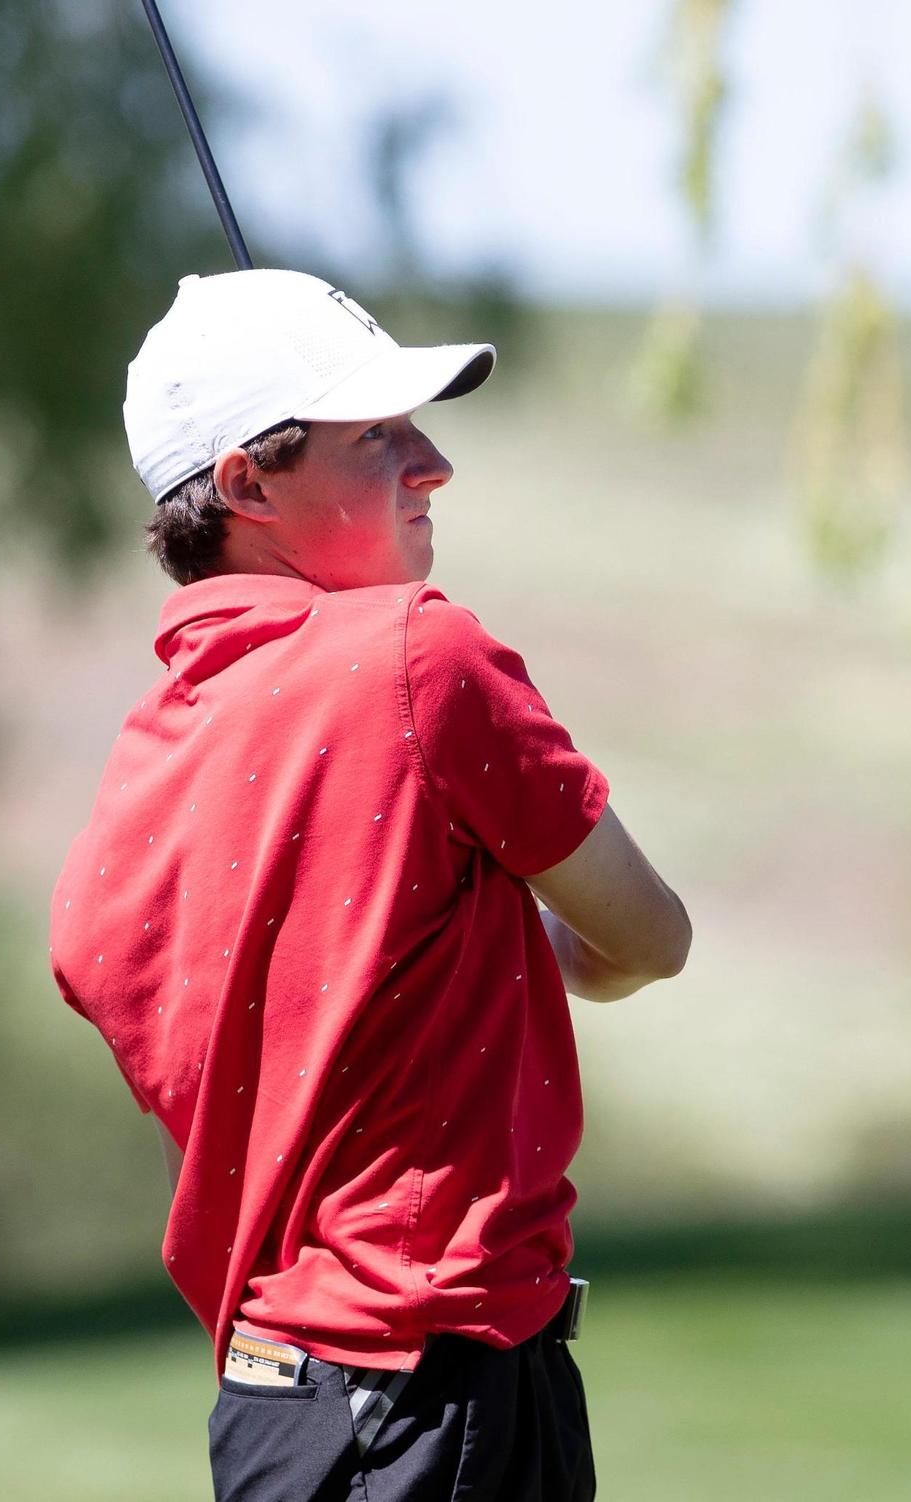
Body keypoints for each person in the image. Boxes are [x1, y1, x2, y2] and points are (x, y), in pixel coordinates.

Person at [48, 268, 692, 1501]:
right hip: (437, 1397)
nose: (433, 462)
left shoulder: (146, 760)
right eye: (380, 433)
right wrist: (513, 921)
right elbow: (652, 937)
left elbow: (106, 958)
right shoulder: (422, 656)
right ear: (245, 483)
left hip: (275, 1410)